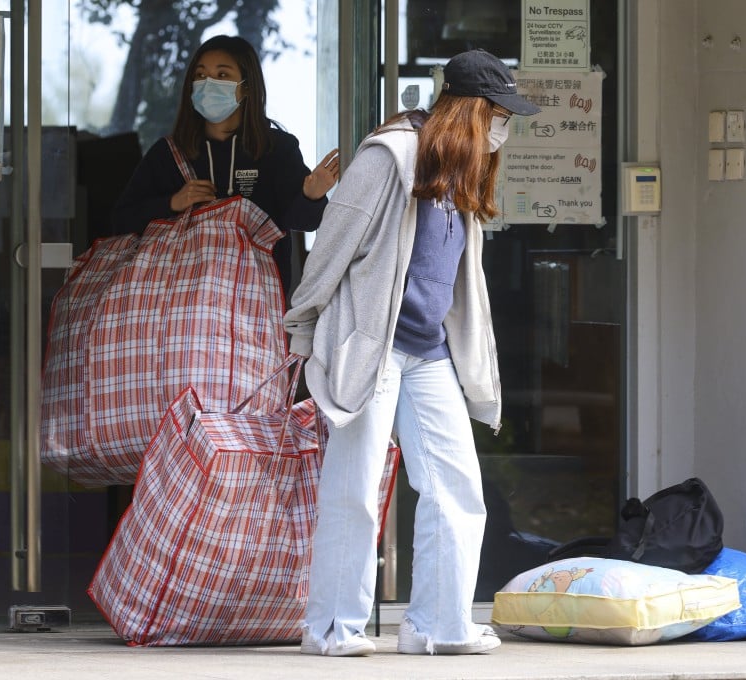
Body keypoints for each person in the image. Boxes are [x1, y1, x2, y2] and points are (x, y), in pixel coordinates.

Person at [284, 49, 540, 657]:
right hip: (370, 346)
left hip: (429, 353)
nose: (505, 126)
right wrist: (302, 330)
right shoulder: (390, 155)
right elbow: (332, 247)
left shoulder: (461, 171)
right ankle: (331, 629)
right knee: (355, 486)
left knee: (458, 488)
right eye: (500, 113)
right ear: (472, 110)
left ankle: (436, 625)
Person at [110, 34, 339, 299]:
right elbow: (121, 221)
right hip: (178, 309)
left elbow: (303, 222)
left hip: (254, 307)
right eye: (201, 75)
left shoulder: (276, 149)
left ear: (247, 87)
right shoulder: (169, 153)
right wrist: (173, 202)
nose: (208, 84)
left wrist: (312, 195)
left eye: (222, 75)